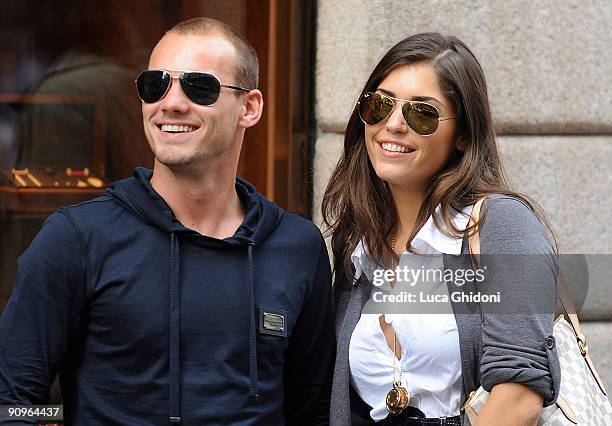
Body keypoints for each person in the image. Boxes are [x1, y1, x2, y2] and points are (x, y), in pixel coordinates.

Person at [0, 17, 334, 425]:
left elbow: (312, 410)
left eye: (199, 86)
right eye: (155, 84)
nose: (171, 102)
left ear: (249, 107)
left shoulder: (296, 246)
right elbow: (13, 401)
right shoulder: (77, 237)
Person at [322, 33, 560, 425]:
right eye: (379, 105)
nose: (393, 125)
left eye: (422, 113)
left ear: (463, 134)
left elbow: (519, 395)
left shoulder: (499, 224)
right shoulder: (358, 242)